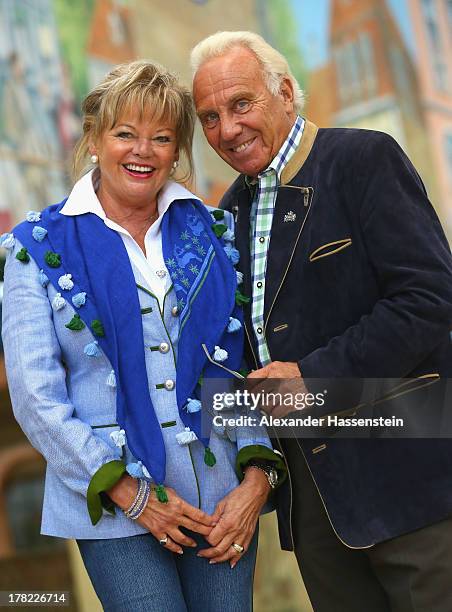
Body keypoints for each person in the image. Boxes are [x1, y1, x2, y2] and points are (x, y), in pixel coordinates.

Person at [1, 59, 286, 612]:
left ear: (177, 151)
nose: (143, 151)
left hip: (219, 498)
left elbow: (233, 363)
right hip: (114, 504)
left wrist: (255, 475)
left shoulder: (214, 231)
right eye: (125, 133)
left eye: (161, 138)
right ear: (93, 139)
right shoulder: (35, 247)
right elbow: (35, 396)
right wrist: (130, 495)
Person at [191, 31, 452, 612]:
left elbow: (430, 297)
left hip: (412, 487)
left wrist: (318, 378)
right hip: (316, 515)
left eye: (240, 104)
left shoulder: (363, 158)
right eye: (208, 117)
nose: (226, 130)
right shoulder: (226, 214)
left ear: (285, 92)